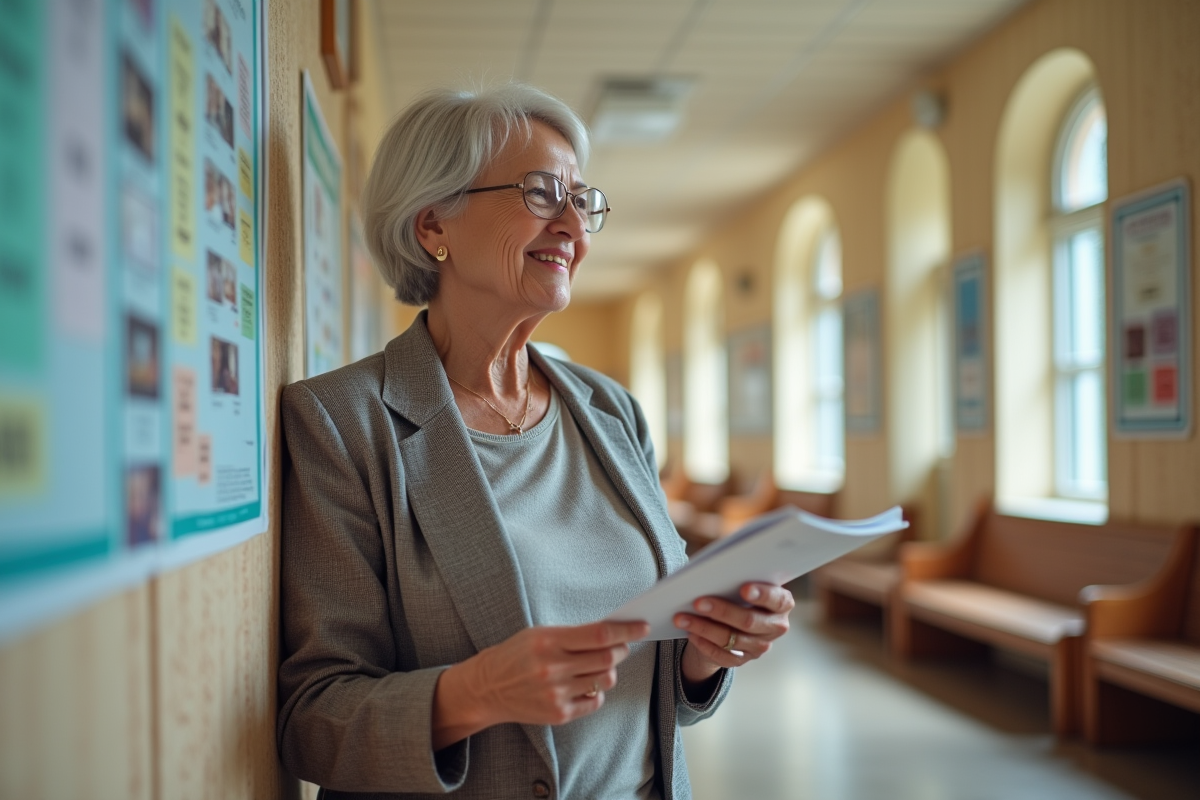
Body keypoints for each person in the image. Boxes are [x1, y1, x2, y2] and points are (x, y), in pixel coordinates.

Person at [277, 83, 795, 800]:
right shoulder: (342, 423)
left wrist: (707, 655)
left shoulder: (613, 413)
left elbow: (655, 688)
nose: (573, 229)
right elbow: (313, 719)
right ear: (434, 226)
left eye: (582, 202)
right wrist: (474, 693)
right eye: (543, 193)